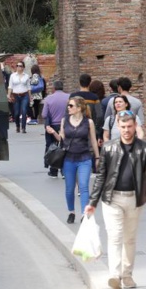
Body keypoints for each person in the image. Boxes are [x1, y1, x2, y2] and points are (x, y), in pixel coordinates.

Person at [85, 112, 146, 289]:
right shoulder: (109, 147)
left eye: (129, 127)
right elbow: (101, 176)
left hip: (134, 200)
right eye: (123, 127)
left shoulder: (144, 148)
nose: (126, 130)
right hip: (112, 199)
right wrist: (92, 202)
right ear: (118, 127)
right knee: (115, 236)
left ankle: (127, 275)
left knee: (130, 239)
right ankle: (114, 274)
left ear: (135, 126)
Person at [49, 96, 99, 224]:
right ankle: (71, 212)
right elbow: (62, 139)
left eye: (71, 106)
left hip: (84, 158)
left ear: (79, 108)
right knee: (70, 188)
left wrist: (97, 157)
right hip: (69, 159)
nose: (68, 108)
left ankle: (84, 214)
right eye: (68, 105)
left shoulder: (89, 122)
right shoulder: (65, 120)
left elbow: (93, 140)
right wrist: (53, 133)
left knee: (83, 187)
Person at [43, 80, 70, 178]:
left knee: (53, 148)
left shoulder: (49, 99)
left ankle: (53, 170)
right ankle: (64, 170)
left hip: (53, 126)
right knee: (65, 148)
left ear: (53, 88)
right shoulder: (69, 97)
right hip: (67, 124)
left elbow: (44, 114)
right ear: (63, 88)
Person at [70, 74, 104, 142]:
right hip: (90, 128)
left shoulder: (72, 96)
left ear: (79, 82)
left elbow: (67, 112)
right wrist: (96, 128)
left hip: (74, 128)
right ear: (89, 83)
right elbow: (100, 115)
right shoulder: (94, 97)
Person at [7, 61, 30, 133]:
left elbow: (29, 87)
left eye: (20, 66)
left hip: (24, 95)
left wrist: (30, 96)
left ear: (23, 67)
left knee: (24, 111)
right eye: (17, 66)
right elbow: (10, 86)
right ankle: (17, 125)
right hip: (16, 95)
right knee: (16, 113)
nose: (18, 67)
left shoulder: (26, 76)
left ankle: (23, 127)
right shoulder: (13, 75)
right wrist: (8, 95)